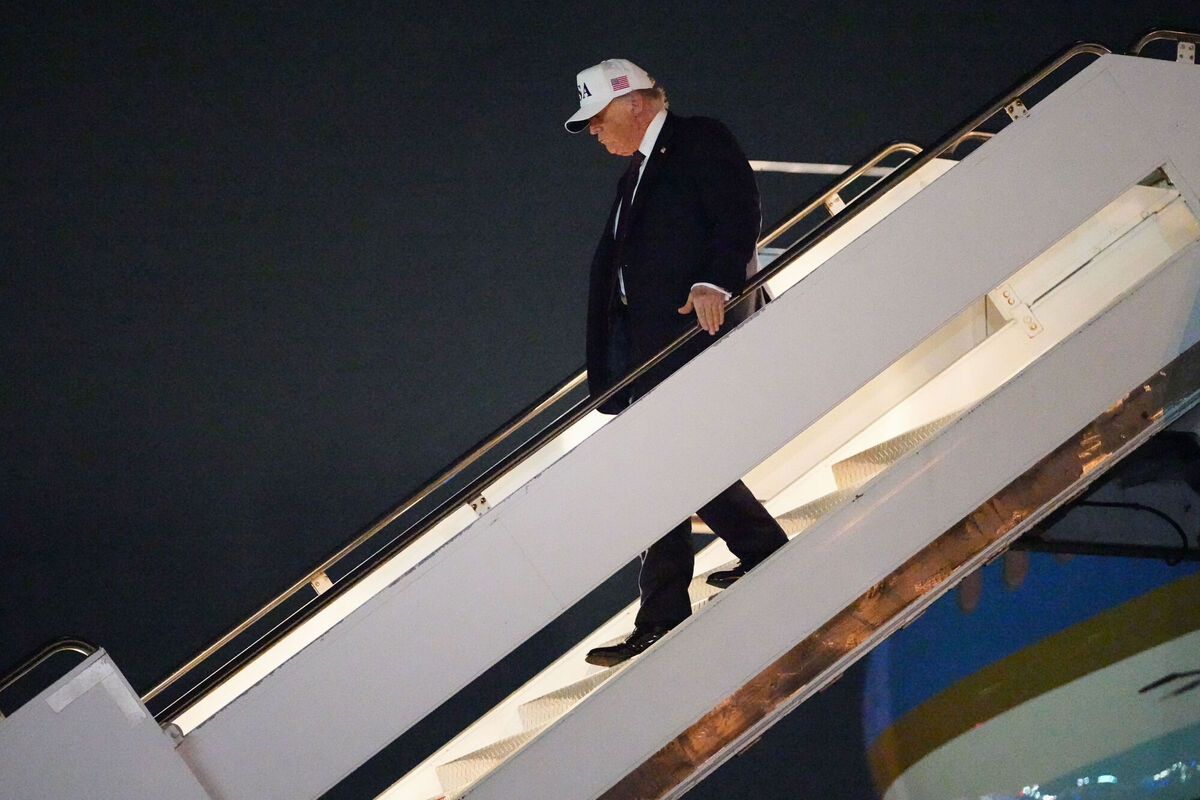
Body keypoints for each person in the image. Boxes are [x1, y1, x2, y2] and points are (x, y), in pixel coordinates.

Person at [564, 59, 788, 667]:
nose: (593, 132)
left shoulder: (697, 139)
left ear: (635, 103)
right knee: (673, 466)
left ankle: (664, 614)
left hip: (689, 333)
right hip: (645, 348)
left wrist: (716, 280)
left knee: (660, 469)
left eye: (597, 118)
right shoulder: (635, 173)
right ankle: (759, 548)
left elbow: (737, 210)